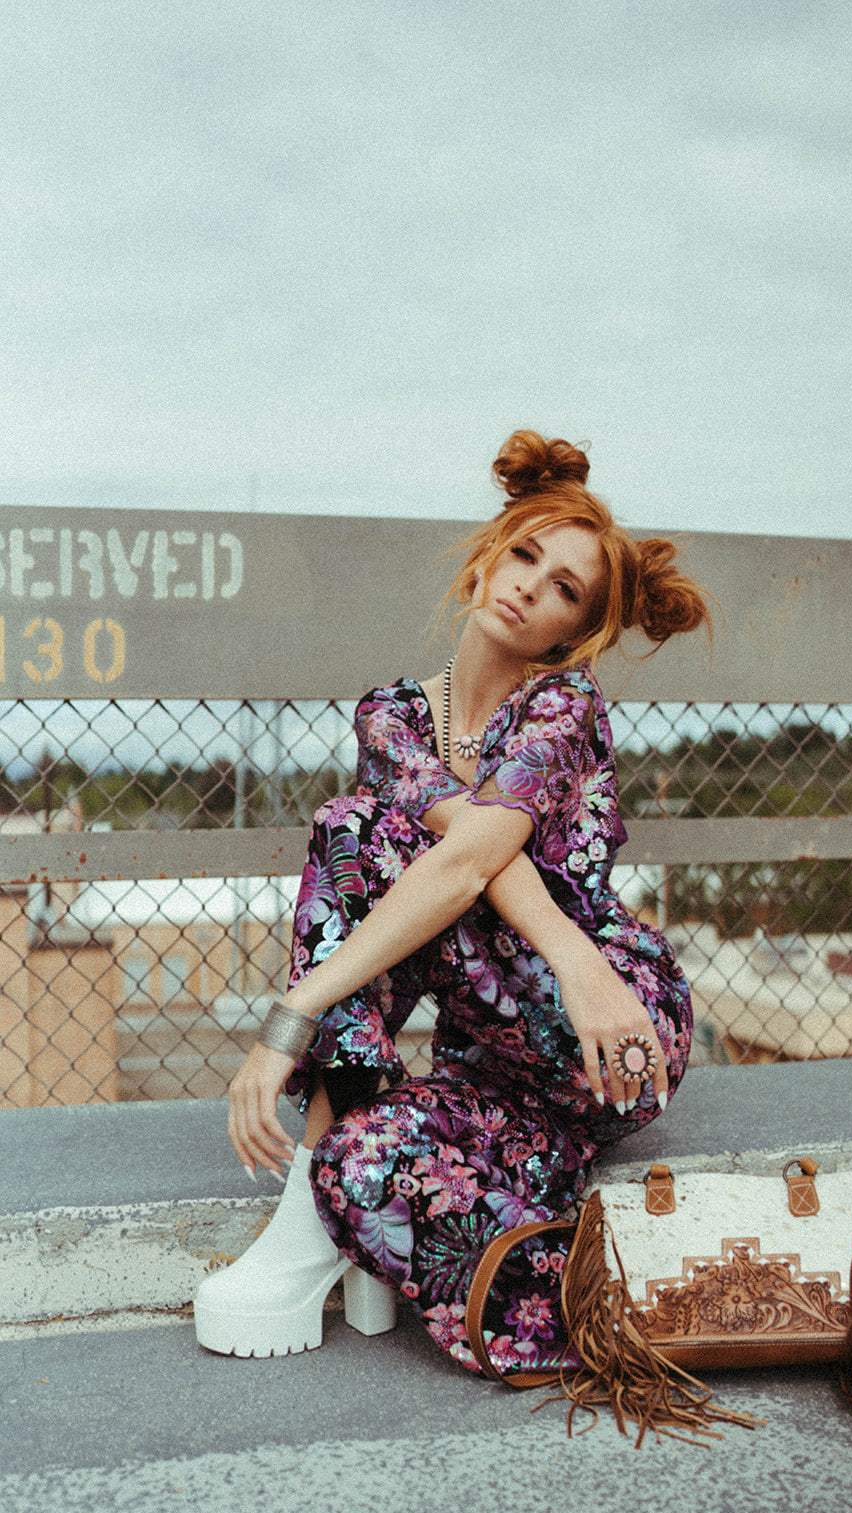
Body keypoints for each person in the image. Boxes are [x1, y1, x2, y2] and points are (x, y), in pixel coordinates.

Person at [193, 430, 712, 1378]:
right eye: (525, 554)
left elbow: (467, 865)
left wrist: (290, 1021)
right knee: (363, 1160)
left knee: (361, 832)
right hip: (501, 1060)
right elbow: (463, 858)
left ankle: (309, 1217)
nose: (528, 586)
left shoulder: (562, 706)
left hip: (606, 1024)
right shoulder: (392, 714)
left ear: (570, 633)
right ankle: (347, 1208)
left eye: (564, 589)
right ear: (488, 551)